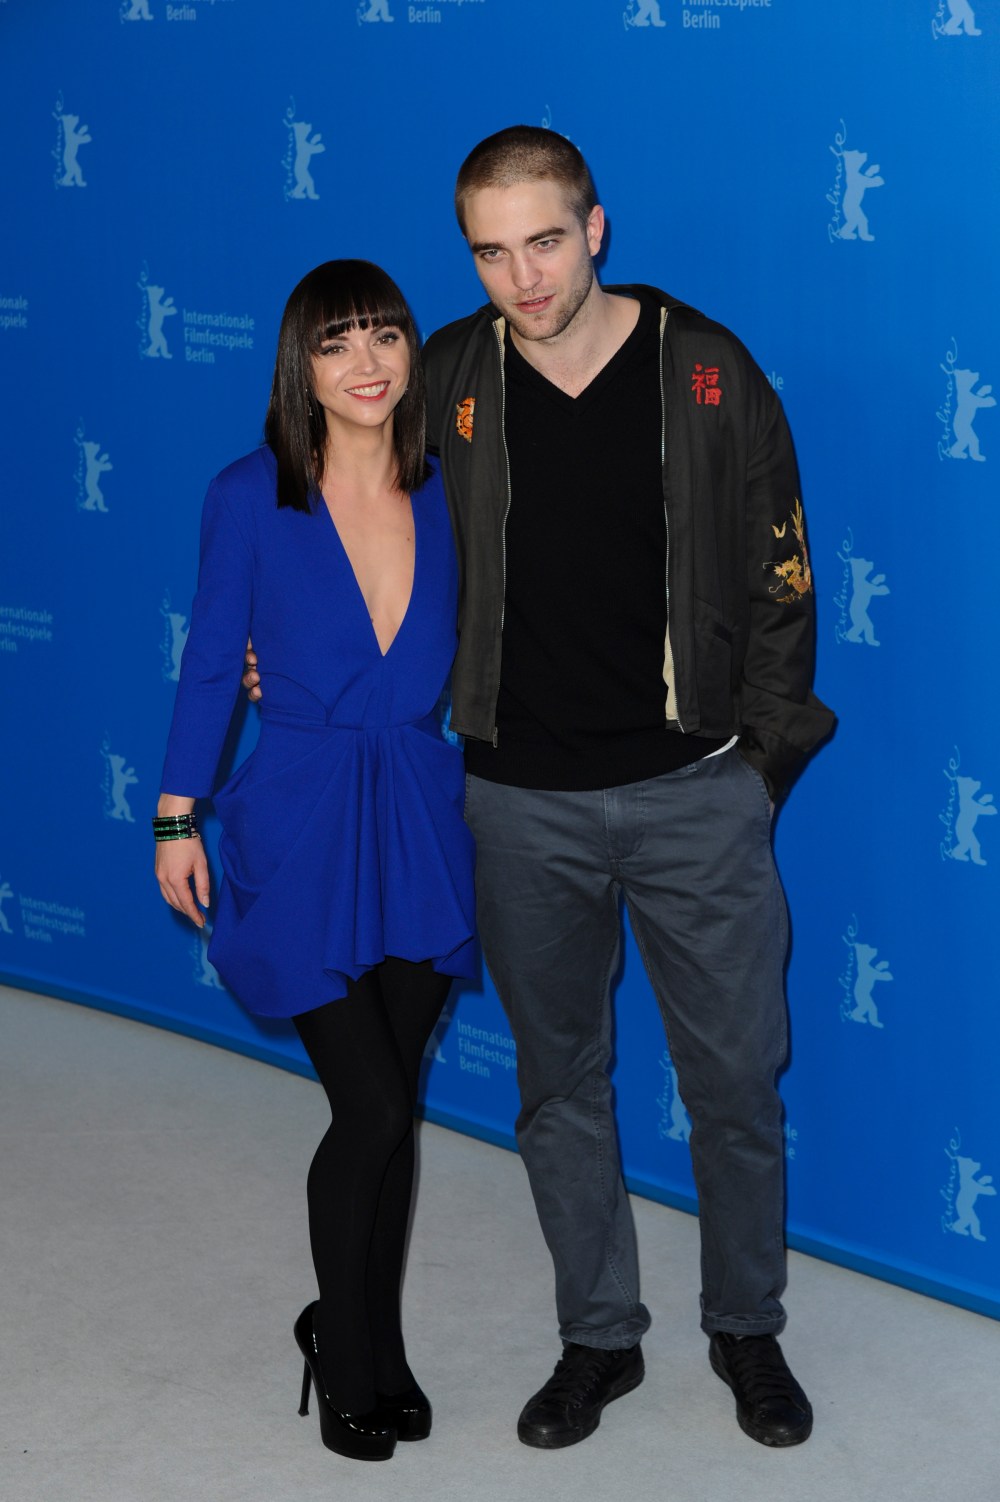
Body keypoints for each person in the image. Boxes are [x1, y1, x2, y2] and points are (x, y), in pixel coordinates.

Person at [246, 127, 835, 1453]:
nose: (524, 276)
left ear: (596, 228)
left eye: (547, 241)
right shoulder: (448, 373)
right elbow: (330, 498)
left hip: (696, 793)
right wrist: (273, 640)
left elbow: (783, 579)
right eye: (492, 251)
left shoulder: (708, 370)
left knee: (736, 1083)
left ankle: (746, 1327)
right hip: (515, 806)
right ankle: (598, 1335)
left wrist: (757, 768)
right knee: (559, 1085)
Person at [155, 260, 476, 1463]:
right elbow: (209, 658)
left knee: (395, 1113)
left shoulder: (447, 485)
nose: (365, 361)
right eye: (335, 341)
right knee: (372, 1103)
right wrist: (175, 813)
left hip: (421, 819)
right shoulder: (249, 495)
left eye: (383, 333)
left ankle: (375, 1342)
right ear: (301, 363)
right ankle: (341, 1349)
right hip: (299, 819)